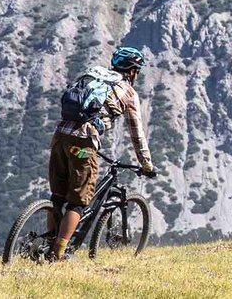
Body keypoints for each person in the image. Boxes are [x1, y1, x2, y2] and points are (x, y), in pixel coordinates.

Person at [47, 46, 157, 261]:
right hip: (83, 144)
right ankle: (58, 254)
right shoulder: (128, 92)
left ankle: (48, 241)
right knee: (79, 200)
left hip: (59, 137)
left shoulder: (93, 73)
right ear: (133, 71)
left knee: (58, 196)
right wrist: (147, 165)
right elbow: (137, 135)